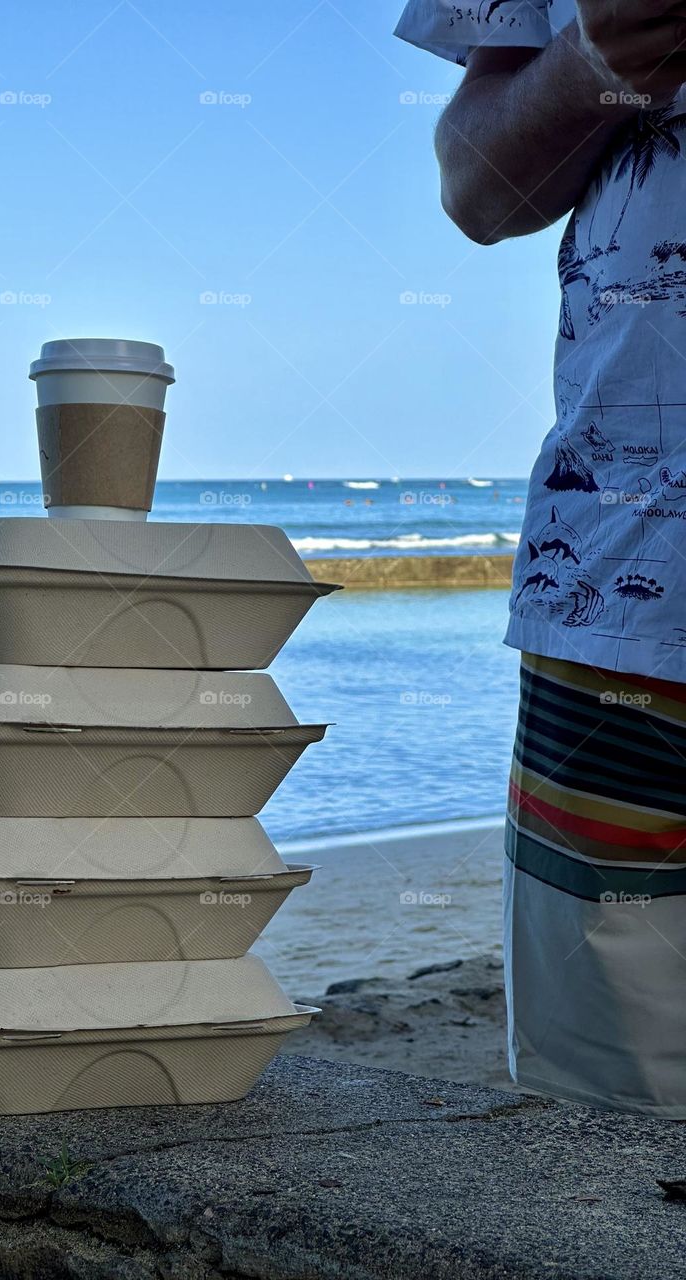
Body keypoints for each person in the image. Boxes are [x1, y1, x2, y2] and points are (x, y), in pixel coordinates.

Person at [395, 0, 686, 1116]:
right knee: (604, 1139)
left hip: (614, 598)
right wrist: (597, 57)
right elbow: (476, 188)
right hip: (621, 594)